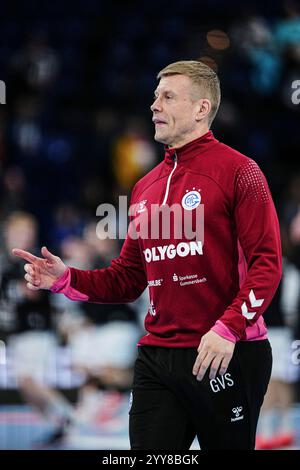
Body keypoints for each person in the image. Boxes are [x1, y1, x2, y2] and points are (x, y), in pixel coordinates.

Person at [12, 60, 282, 450]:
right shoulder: (144, 188)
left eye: (168, 96)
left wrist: (230, 329)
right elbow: (127, 279)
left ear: (201, 108)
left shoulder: (241, 171)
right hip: (158, 357)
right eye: (155, 96)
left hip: (226, 351)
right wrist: (66, 279)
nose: (154, 105)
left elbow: (267, 263)